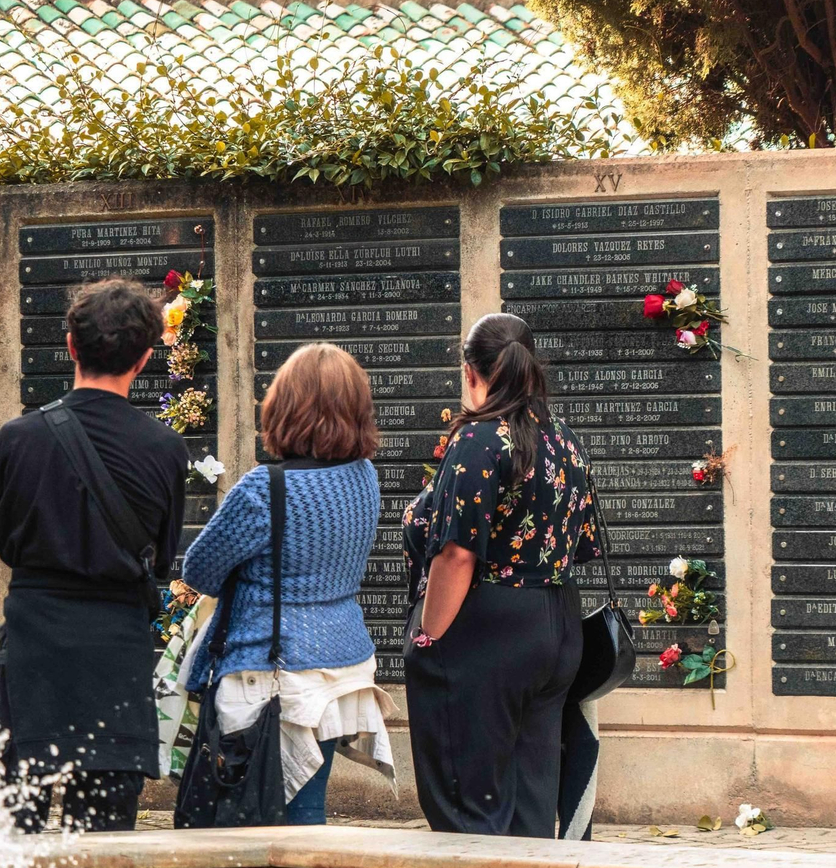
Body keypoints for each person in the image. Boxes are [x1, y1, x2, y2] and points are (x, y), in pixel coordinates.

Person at [0, 278, 189, 833]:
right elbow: (162, 557)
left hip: (32, 657)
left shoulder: (16, 440)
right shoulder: (165, 450)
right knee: (103, 848)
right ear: (145, 358)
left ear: (71, 346)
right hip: (113, 663)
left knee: (12, 843)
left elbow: (6, 540)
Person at [401, 313, 602, 838]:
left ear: (470, 371)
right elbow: (580, 542)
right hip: (557, 626)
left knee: (471, 803)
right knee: (531, 799)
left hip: (488, 630)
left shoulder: (479, 441)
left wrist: (428, 637)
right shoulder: (564, 440)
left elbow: (457, 555)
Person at [180, 343, 395, 824]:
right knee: (305, 811)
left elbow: (199, 570)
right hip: (343, 666)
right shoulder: (365, 477)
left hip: (270, 672)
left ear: (285, 407)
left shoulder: (264, 488)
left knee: (247, 818)